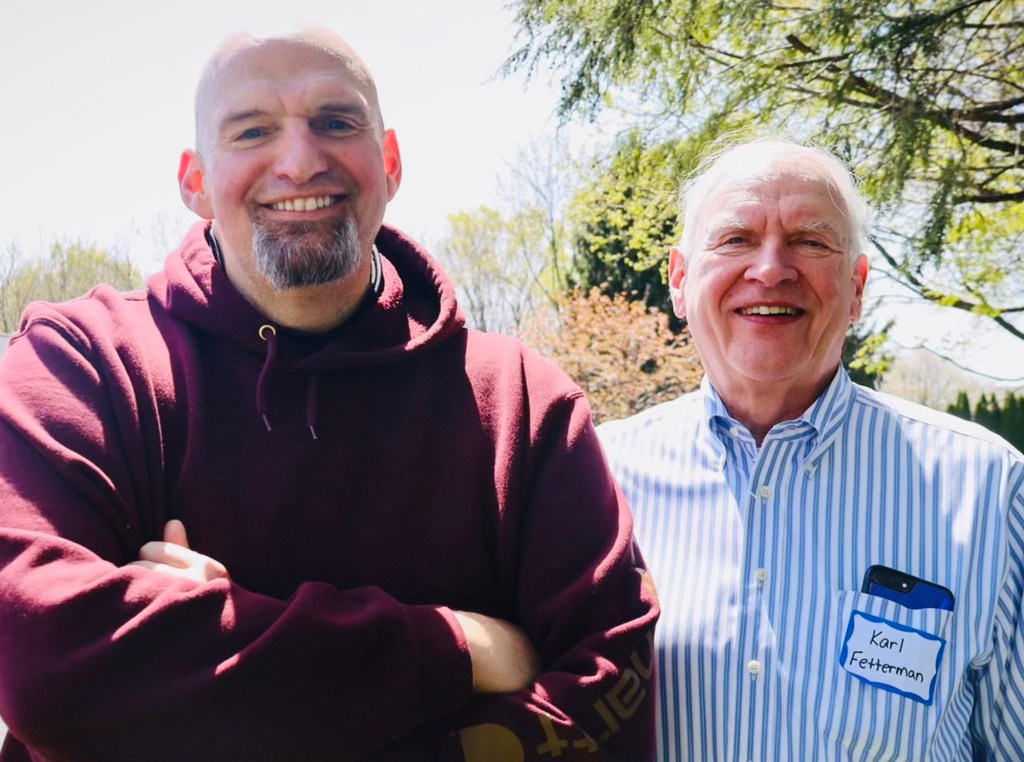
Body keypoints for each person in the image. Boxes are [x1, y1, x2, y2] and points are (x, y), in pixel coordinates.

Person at [0, 28, 657, 761]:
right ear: (194, 181)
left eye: (337, 122)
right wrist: (459, 648)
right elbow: (46, 673)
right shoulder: (82, 366)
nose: (300, 159)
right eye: (253, 130)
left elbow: (608, 704)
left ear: (391, 162)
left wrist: (200, 650)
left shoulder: (522, 405)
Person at [598, 138, 1024, 761]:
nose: (771, 269)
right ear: (680, 281)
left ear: (856, 288)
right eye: (736, 239)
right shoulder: (595, 480)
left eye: (811, 241)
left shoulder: (988, 488)